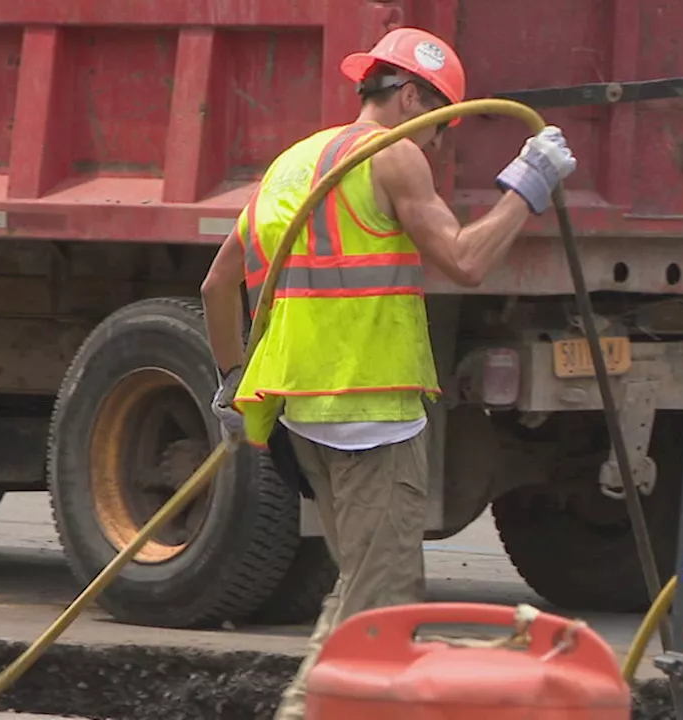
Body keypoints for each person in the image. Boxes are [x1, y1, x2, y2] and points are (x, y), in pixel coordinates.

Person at [198, 27, 576, 719]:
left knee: (360, 590)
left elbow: (217, 286)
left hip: (303, 414)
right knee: (385, 610)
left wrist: (230, 383)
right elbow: (465, 260)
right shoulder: (393, 155)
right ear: (409, 97)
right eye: (439, 126)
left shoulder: (292, 164)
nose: (435, 143)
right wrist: (529, 187)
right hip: (370, 414)